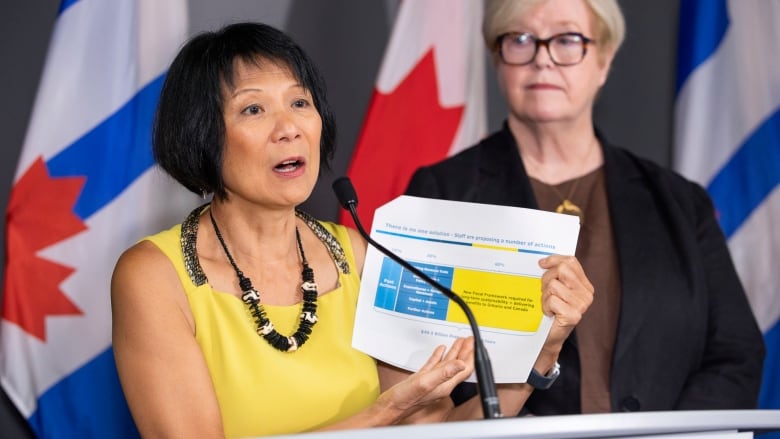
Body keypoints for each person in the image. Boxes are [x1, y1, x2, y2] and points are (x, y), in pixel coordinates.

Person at [110, 22, 595, 438]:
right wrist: (387, 410)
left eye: (300, 103)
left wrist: (541, 351)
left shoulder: (363, 256)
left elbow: (439, 433)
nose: (289, 128)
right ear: (201, 135)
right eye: (253, 109)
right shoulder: (154, 276)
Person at [405, 0, 766, 414]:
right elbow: (419, 365)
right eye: (520, 40)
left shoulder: (680, 202)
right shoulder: (442, 191)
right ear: (496, 57)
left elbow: (735, 354)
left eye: (567, 39)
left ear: (604, 60)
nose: (543, 60)